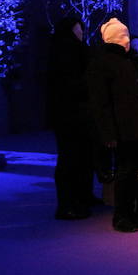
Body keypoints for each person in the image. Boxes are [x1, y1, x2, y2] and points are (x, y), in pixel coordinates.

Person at [86, 18, 138, 233]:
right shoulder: (102, 63)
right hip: (122, 128)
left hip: (136, 125)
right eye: (122, 36)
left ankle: (135, 213)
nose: (127, 40)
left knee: (134, 170)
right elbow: (100, 102)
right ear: (114, 39)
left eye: (127, 35)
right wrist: (108, 133)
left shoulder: (130, 61)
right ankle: (122, 216)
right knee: (125, 171)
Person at [47, 17, 96, 220]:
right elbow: (70, 84)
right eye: (78, 29)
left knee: (82, 157)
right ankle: (68, 204)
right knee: (71, 158)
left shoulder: (71, 50)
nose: (81, 32)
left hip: (75, 112)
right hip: (70, 114)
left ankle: (82, 197)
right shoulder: (65, 52)